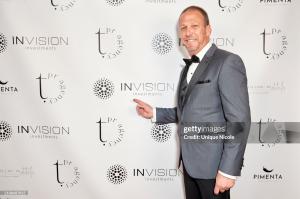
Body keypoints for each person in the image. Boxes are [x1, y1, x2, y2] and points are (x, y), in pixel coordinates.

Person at [134, 5, 250, 199]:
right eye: (183, 28)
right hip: (189, 164)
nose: (188, 33)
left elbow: (239, 120)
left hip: (215, 168)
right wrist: (155, 113)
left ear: (208, 30)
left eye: (194, 26)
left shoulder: (228, 62)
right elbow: (190, 111)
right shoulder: (186, 68)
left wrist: (228, 170)